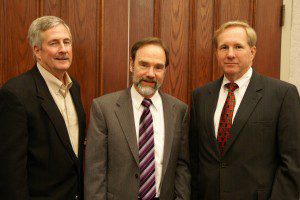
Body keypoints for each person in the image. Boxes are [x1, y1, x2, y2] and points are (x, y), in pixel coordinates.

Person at [190, 20, 300, 200]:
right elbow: (195, 159)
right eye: (224, 47)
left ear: (252, 51)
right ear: (217, 53)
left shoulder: (282, 94)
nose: (230, 54)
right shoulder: (200, 96)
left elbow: (292, 163)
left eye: (238, 47)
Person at [84, 37, 190, 200]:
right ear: (131, 64)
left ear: (165, 71)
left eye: (158, 67)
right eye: (144, 64)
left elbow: (182, 166)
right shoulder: (104, 108)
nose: (150, 74)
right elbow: (95, 170)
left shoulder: (179, 110)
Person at [0, 16, 86, 199]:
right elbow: (11, 171)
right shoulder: (15, 93)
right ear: (37, 51)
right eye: (54, 43)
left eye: (67, 42)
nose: (63, 49)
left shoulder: (74, 88)